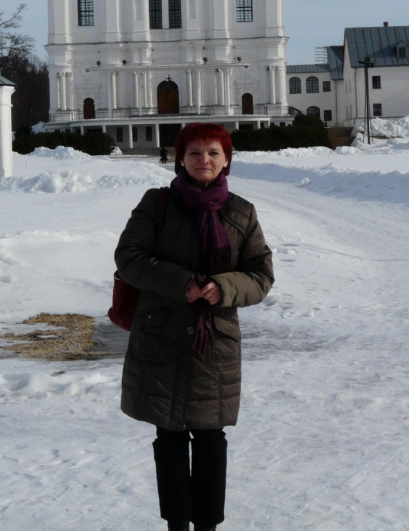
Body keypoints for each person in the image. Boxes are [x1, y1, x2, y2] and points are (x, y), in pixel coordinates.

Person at [114, 123, 274, 530]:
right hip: (161, 337)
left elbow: (261, 275)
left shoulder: (241, 212)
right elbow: (128, 257)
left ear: (226, 160)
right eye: (195, 153)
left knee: (209, 438)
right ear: (180, 158)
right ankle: (176, 525)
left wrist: (224, 287)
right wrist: (180, 283)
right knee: (168, 438)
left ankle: (207, 525)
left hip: (214, 343)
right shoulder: (157, 204)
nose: (205, 160)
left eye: (214, 153)